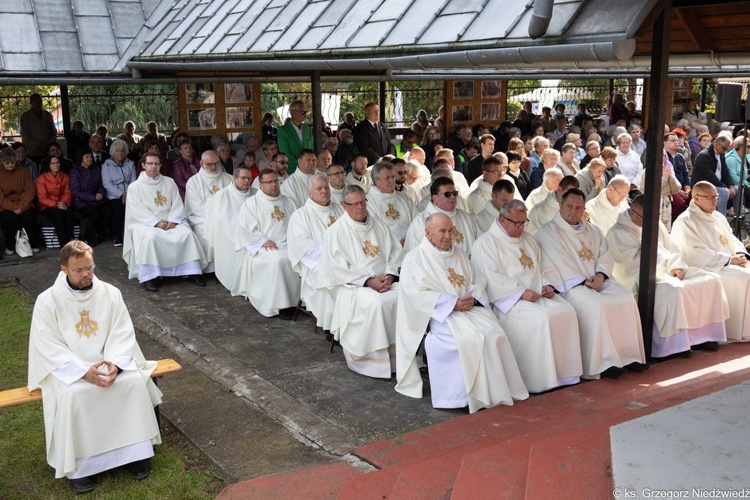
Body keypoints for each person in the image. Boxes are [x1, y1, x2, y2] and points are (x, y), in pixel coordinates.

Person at [28, 241, 161, 493]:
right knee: (75, 394)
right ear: (64, 269)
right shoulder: (47, 301)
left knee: (132, 382)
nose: (86, 274)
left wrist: (115, 365)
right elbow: (48, 345)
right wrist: (83, 371)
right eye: (78, 270)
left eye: (89, 267)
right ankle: (82, 469)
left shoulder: (110, 293)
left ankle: (134, 455)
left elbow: (122, 333)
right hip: (69, 370)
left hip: (109, 364)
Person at [395, 213, 529, 412]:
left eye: (450, 230)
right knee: (471, 339)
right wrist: (451, 304)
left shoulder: (458, 253)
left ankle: (494, 392)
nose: (448, 236)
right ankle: (463, 397)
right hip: (441, 316)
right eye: (442, 231)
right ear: (427, 233)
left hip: (467, 309)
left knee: (494, 333)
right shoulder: (415, 259)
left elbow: (478, 280)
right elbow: (415, 296)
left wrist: (473, 298)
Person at [472, 200, 583, 392]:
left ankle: (564, 374)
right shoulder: (486, 243)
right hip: (510, 303)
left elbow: (545, 265)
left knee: (567, 311)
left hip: (538, 295)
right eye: (517, 223)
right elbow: (491, 278)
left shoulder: (529, 239)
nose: (521, 228)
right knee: (543, 319)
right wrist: (521, 293)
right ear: (502, 219)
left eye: (524, 223)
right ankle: (540, 379)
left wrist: (547, 283)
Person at [534, 189, 646, 378]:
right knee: (598, 306)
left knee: (626, 298)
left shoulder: (592, 230)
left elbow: (605, 255)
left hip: (598, 280)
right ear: (560, 206)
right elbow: (557, 262)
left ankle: (628, 356)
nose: (573, 211)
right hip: (570, 286)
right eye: (569, 206)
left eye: (578, 208)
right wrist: (584, 280)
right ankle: (603, 363)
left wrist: (601, 275)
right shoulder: (548, 232)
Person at [607, 195, 728, 357]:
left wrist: (676, 266)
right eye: (646, 217)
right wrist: (664, 269)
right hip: (641, 279)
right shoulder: (617, 233)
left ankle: (703, 336)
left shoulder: (652, 223)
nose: (651, 222)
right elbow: (630, 266)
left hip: (666, 269)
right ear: (633, 213)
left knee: (711, 279)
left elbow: (670, 249)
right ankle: (675, 346)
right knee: (674, 291)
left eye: (653, 217)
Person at [318, 185, 403, 378]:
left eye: (363, 202)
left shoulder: (378, 224)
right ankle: (373, 362)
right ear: (344, 205)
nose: (360, 207)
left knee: (405, 295)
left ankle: (402, 357)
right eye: (355, 204)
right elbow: (337, 269)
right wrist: (368, 281)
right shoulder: (335, 232)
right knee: (377, 302)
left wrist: (389, 275)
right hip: (353, 287)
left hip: (385, 281)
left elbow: (396, 253)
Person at [671, 181, 750, 342]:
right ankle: (740, 329)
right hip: (709, 267)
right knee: (745, 278)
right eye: (710, 197)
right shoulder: (685, 221)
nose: (715, 201)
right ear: (696, 198)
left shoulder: (718, 216)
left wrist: (741, 254)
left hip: (730, 262)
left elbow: (731, 239)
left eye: (716, 197)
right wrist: (729, 260)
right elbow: (695, 253)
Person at [123, 151, 207, 292]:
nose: (153, 167)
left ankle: (192, 272)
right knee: (151, 238)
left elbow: (177, 204)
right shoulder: (135, 187)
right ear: (143, 165)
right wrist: (156, 222)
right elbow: (136, 211)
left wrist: (173, 221)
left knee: (187, 234)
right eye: (150, 163)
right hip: (146, 224)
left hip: (171, 221)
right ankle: (150, 276)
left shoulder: (169, 182)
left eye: (156, 163)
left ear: (161, 165)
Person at [236, 168, 301, 319]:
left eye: (275, 181)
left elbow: (299, 224)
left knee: (301, 258)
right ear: (260, 185)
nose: (273, 185)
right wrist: (262, 240)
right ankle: (282, 305)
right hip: (265, 246)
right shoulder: (251, 203)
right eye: (269, 182)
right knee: (278, 261)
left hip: (289, 243)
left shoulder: (289, 201)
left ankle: (300, 300)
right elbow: (245, 229)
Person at [287, 173, 344, 331]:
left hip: (345, 258)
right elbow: (304, 246)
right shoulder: (300, 216)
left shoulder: (340, 209)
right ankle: (332, 326)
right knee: (330, 276)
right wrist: (333, 257)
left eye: (326, 187)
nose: (324, 191)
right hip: (317, 263)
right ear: (309, 193)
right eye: (319, 188)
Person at [203, 165, 256, 297]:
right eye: (243, 178)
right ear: (234, 177)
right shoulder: (222, 196)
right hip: (230, 236)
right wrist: (242, 235)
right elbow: (221, 223)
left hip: (255, 234)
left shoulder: (256, 194)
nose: (246, 181)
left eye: (249, 178)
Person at [185, 150, 232, 273]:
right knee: (208, 229)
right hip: (202, 219)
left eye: (216, 163)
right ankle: (211, 269)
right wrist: (218, 217)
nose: (213, 167)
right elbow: (196, 207)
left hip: (228, 217)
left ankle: (229, 265)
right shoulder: (194, 181)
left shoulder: (229, 179)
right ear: (201, 163)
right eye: (209, 164)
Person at [405, 177, 478, 256]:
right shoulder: (420, 222)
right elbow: (415, 254)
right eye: (447, 194)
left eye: (455, 193)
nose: (453, 197)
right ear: (435, 198)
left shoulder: (467, 218)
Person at [0, 147, 41, 255]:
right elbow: (1, 197)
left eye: (12, 162)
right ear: (2, 162)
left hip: (24, 203)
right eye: (7, 162)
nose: (10, 165)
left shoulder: (24, 171)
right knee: (9, 218)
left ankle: (34, 243)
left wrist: (21, 206)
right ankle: (10, 245)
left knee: (28, 216)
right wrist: (13, 207)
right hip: (5, 205)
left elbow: (29, 191)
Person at [366, 162, 414, 245]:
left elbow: (417, 221)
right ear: (377, 180)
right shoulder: (367, 202)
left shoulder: (404, 198)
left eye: (393, 177)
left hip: (410, 244)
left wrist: (410, 238)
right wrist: (396, 243)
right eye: (387, 178)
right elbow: (372, 231)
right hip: (387, 248)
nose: (392, 181)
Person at [70, 149, 109, 246]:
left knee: (107, 210)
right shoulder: (75, 172)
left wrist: (100, 193)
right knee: (95, 214)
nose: (90, 159)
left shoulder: (95, 169)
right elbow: (76, 192)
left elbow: (101, 184)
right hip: (81, 201)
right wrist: (92, 197)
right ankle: (86, 238)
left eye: (90, 156)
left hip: (96, 199)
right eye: (87, 157)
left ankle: (100, 235)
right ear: (81, 159)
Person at [102, 139, 136, 247]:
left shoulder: (130, 163)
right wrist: (122, 194)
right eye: (117, 151)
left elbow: (133, 181)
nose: (120, 153)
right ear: (113, 152)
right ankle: (118, 237)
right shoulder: (107, 164)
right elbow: (107, 184)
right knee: (118, 209)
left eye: (122, 151)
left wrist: (127, 194)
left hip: (130, 193)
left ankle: (132, 236)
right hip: (114, 195)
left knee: (133, 209)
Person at [691, 135, 735, 216]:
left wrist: (730, 185)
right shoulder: (704, 155)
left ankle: (737, 215)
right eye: (724, 148)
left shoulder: (721, 154)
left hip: (716, 184)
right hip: (703, 185)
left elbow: (725, 171)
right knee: (724, 192)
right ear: (716, 144)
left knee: (737, 188)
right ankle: (721, 218)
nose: (725, 151)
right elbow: (709, 175)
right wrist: (723, 186)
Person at [37, 156, 75, 247]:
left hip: (62, 203)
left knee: (68, 212)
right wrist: (56, 204)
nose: (56, 165)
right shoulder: (42, 178)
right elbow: (42, 198)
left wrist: (63, 202)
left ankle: (72, 240)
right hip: (47, 205)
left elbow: (67, 192)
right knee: (57, 213)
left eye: (57, 163)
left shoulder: (65, 176)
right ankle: (63, 242)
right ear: (48, 165)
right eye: (53, 163)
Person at [277, 100, 314, 174]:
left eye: (306, 112)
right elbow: (285, 152)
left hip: (308, 169)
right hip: (292, 169)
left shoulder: (307, 129)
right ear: (294, 112)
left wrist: (309, 162)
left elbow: (312, 148)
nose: (305, 115)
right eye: (303, 112)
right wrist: (300, 164)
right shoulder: (283, 130)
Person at [20, 93, 57, 163]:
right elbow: (25, 135)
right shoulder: (25, 117)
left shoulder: (48, 115)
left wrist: (48, 146)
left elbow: (53, 133)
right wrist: (39, 145)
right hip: (32, 152)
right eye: (36, 102)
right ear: (31, 103)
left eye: (40, 101)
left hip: (47, 151)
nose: (39, 104)